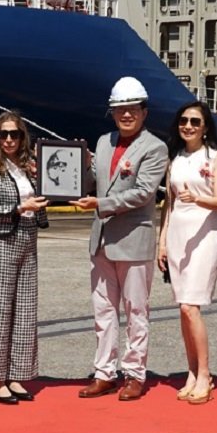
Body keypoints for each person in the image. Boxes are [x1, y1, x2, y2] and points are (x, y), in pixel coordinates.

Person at [73, 76, 169, 401]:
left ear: (144, 112)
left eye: (131, 109)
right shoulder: (102, 142)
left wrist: (101, 205)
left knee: (136, 311)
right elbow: (94, 182)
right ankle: (104, 372)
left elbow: (143, 194)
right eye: (119, 109)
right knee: (103, 311)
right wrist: (77, 169)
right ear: (112, 112)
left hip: (133, 240)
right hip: (101, 239)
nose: (125, 114)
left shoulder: (156, 147)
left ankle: (134, 373)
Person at [0, 111, 48, 404]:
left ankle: (16, 375)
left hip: (27, 240)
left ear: (22, 136)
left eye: (15, 134)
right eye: (4, 134)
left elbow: (40, 204)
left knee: (24, 312)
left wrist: (43, 191)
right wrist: (18, 207)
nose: (10, 139)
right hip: (0, 245)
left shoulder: (29, 168)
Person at [157, 101, 217, 404]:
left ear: (205, 127)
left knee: (191, 306)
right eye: (183, 120)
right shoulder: (174, 160)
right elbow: (168, 204)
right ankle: (190, 371)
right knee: (182, 309)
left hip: (203, 236)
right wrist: (161, 241)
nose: (188, 126)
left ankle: (204, 374)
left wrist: (196, 197)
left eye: (195, 122)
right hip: (177, 235)